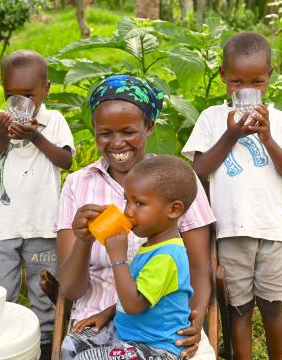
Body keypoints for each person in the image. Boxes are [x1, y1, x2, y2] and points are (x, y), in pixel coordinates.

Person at [55, 74, 216, 359]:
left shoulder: (175, 180)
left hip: (165, 326)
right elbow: (70, 289)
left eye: (128, 131)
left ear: (149, 128)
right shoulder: (78, 185)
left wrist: (197, 318)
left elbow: (200, 267)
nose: (117, 143)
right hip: (99, 313)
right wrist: (83, 241)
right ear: (94, 130)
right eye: (105, 133)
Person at [182, 32, 282, 360]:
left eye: (256, 82)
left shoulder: (277, 120)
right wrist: (231, 133)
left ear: (269, 77)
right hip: (231, 232)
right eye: (236, 81)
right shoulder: (210, 118)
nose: (245, 90)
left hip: (272, 232)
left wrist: (267, 139)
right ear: (222, 75)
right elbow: (200, 169)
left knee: (272, 307)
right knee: (240, 310)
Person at [0, 49, 75, 359]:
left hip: (43, 223)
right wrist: (2, 137)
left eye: (29, 94)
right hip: (4, 227)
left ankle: (45, 344)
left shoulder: (54, 121)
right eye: (11, 95)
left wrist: (35, 138)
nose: (20, 102)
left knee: (42, 289)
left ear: (46, 89)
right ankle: (1, 344)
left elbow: (66, 160)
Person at [62, 155, 199, 360]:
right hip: (129, 336)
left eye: (139, 204)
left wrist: (118, 258)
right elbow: (138, 292)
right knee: (71, 344)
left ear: (174, 209)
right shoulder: (151, 246)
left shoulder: (168, 256)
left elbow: (134, 305)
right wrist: (106, 314)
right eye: (127, 200)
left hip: (157, 349)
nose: (128, 212)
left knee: (85, 358)